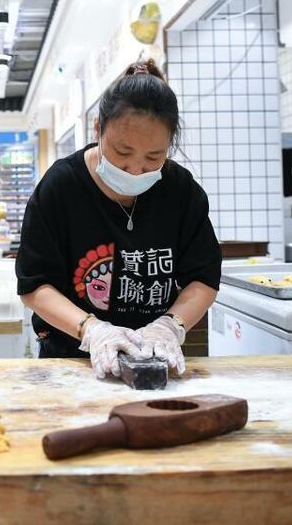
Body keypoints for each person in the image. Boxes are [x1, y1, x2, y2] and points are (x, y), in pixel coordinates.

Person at [16, 60, 221, 379]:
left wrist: (170, 326)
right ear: (98, 128)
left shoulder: (181, 191)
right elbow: (34, 284)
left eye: (154, 157)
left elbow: (204, 278)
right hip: (71, 362)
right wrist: (93, 331)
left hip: (155, 360)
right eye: (122, 152)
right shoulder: (61, 187)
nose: (136, 169)